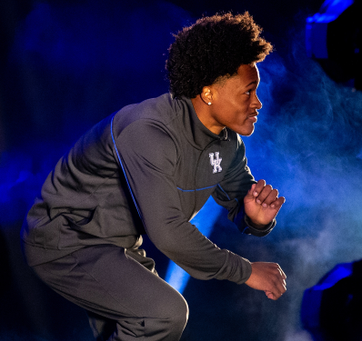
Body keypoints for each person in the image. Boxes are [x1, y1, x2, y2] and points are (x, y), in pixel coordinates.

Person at [21, 12, 287, 341]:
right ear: (208, 94)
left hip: (115, 246)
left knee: (144, 325)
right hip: (65, 239)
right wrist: (245, 272)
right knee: (163, 313)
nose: (257, 103)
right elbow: (169, 234)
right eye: (247, 92)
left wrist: (256, 219)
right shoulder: (148, 130)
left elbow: (240, 203)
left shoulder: (229, 145)